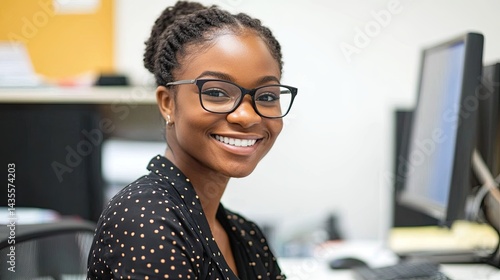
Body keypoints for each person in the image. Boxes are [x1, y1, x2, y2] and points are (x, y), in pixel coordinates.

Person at [87, 1, 298, 279]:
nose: (247, 116)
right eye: (217, 93)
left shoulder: (244, 234)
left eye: (267, 96)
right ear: (167, 103)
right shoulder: (146, 220)